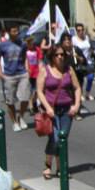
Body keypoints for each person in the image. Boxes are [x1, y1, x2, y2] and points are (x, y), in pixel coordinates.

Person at [36, 45, 81, 179]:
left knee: (63, 139)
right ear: (52, 57)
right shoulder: (45, 70)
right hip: (52, 110)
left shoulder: (69, 70)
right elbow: (39, 91)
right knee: (55, 138)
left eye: (62, 54)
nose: (60, 57)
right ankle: (48, 165)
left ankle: (61, 168)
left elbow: (77, 88)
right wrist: (48, 108)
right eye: (57, 55)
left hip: (66, 110)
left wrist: (76, 105)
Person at [0, 25, 31, 132]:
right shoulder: (2, 45)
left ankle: (21, 117)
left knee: (25, 98)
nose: (16, 33)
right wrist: (0, 73)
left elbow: (25, 57)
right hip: (9, 75)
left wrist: (27, 69)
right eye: (13, 31)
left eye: (17, 31)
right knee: (10, 101)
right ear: (9, 32)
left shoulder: (23, 44)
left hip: (22, 73)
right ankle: (14, 122)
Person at [72, 24, 95, 101]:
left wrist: (92, 52)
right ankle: (80, 94)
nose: (81, 32)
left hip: (88, 61)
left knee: (90, 77)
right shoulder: (74, 39)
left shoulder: (86, 38)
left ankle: (88, 93)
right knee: (80, 79)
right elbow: (72, 50)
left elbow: (89, 48)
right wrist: (76, 56)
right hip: (79, 62)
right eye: (79, 30)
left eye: (82, 30)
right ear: (76, 31)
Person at [24, 36, 43, 113]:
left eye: (33, 43)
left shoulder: (37, 50)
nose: (32, 45)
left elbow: (40, 61)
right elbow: (25, 61)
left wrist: (41, 71)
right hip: (29, 73)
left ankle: (34, 103)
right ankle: (31, 106)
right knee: (31, 90)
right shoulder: (26, 51)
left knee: (36, 90)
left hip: (36, 72)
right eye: (30, 43)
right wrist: (27, 70)